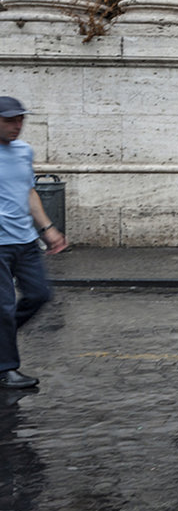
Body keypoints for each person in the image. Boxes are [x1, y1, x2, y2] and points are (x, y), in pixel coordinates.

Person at [0, 97, 67, 389]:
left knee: (39, 295)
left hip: (25, 240)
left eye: (20, 120)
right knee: (2, 308)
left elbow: (28, 192)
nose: (17, 126)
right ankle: (7, 369)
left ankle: (1, 342)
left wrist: (48, 228)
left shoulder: (23, 151)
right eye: (10, 121)